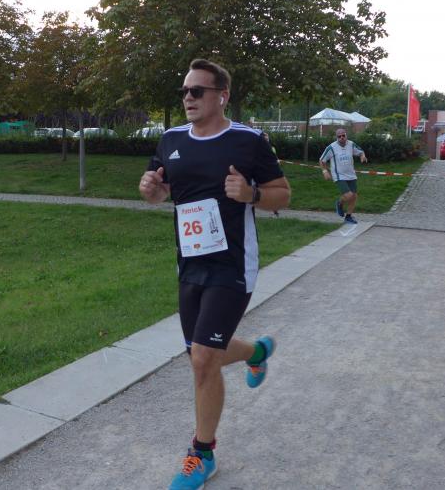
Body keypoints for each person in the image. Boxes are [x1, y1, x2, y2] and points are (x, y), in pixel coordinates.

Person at [139, 58, 291, 490]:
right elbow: (161, 192)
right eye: (184, 92)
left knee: (204, 358)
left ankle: (202, 454)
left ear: (221, 96)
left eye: (197, 91)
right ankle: (256, 352)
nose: (188, 98)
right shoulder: (171, 140)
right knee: (201, 355)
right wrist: (151, 191)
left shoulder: (247, 141)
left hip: (232, 266)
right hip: (190, 264)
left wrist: (251, 194)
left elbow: (283, 194)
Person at [319, 127, 367, 224]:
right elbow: (322, 160)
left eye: (343, 135)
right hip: (339, 175)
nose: (341, 137)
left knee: (354, 196)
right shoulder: (331, 147)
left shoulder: (351, 144)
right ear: (337, 137)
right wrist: (325, 171)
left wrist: (363, 157)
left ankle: (348, 216)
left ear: (346, 135)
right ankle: (339, 203)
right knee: (348, 195)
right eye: (339, 136)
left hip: (351, 174)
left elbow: (361, 152)